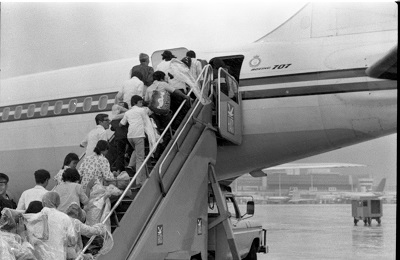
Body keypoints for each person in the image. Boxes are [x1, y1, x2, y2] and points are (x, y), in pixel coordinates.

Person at [119, 95, 151, 185]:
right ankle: (139, 181)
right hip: (139, 135)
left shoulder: (128, 112)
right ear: (135, 103)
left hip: (130, 136)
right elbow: (147, 120)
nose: (141, 104)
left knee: (136, 151)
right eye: (140, 102)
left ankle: (131, 165)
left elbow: (121, 124)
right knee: (140, 158)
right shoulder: (141, 110)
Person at [40, 191, 77, 260]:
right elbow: (72, 241)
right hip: (59, 255)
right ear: (58, 203)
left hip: (42, 255)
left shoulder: (38, 216)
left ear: (44, 202)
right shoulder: (65, 217)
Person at [110, 101, 132, 174]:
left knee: (120, 154)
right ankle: (128, 155)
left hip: (118, 137)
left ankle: (120, 170)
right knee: (133, 147)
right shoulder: (126, 116)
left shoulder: (114, 118)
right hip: (126, 135)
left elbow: (112, 128)